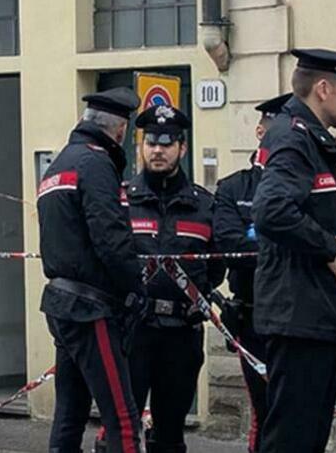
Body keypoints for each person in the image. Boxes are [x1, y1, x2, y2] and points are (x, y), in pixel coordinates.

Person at [252, 43, 336, 453]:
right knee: (292, 440)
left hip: (314, 313)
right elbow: (271, 210)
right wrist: (327, 247)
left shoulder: (309, 138)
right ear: (323, 89)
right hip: (299, 314)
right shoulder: (293, 137)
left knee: (307, 438)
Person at [39, 88, 150, 453]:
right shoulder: (96, 164)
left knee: (69, 414)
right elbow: (111, 238)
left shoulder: (59, 165)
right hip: (91, 307)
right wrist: (136, 288)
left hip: (61, 303)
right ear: (120, 130)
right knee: (123, 419)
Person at [123, 104, 222, 453]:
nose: (157, 150)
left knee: (170, 434)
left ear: (182, 148)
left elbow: (216, 268)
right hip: (134, 330)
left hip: (182, 333)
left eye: (166, 144)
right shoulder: (123, 201)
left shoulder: (204, 206)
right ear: (141, 146)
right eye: (151, 142)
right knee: (120, 429)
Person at [213, 92, 289, 453]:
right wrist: (288, 246)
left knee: (296, 415)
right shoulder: (233, 188)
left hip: (297, 315)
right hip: (253, 317)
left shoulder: (304, 184)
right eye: (279, 129)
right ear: (261, 132)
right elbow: (231, 246)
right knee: (265, 411)